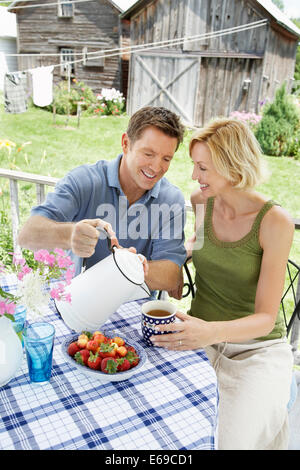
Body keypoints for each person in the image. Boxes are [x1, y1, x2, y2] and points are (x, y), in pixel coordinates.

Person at [150, 117, 295, 450]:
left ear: (232, 166)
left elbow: (266, 319)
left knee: (230, 443)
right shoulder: (203, 202)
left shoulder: (275, 222)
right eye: (194, 166)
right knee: (157, 418)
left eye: (203, 168)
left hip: (256, 350)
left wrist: (211, 331)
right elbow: (198, 244)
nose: (193, 176)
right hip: (199, 335)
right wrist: (173, 263)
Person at [18, 106, 186, 293]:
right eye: (148, 154)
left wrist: (128, 264)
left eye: (166, 159)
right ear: (125, 143)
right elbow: (27, 236)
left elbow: (171, 277)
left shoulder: (171, 199)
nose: (156, 167)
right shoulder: (84, 181)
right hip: (76, 301)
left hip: (130, 308)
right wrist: (70, 235)